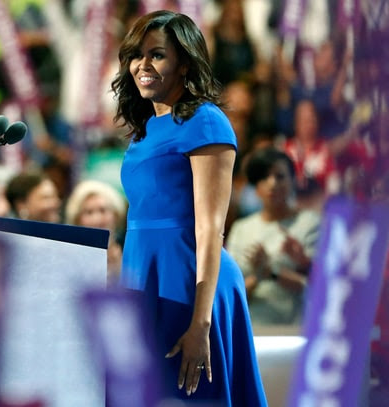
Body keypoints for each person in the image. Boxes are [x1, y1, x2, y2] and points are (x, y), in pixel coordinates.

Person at [110, 10, 266, 404]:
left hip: (191, 285)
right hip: (145, 278)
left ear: (184, 63)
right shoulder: (144, 130)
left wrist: (201, 323)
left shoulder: (206, 122)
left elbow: (211, 228)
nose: (143, 65)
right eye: (136, 55)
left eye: (157, 55)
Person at [226, 148, 319, 325]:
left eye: (280, 176)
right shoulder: (241, 229)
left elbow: (320, 286)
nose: (272, 183)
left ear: (294, 180)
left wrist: (274, 272)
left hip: (296, 330)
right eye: (264, 177)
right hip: (253, 330)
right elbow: (231, 296)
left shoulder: (309, 223)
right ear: (255, 187)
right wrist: (258, 276)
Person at [64, 179, 126, 284]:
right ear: (77, 220)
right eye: (89, 212)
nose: (97, 219)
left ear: (115, 215)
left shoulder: (129, 251)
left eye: (103, 210)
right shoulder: (68, 260)